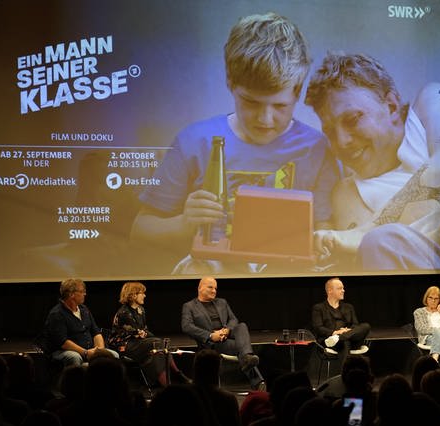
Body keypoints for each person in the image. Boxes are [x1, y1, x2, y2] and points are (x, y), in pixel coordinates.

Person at [130, 12, 338, 274]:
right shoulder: (193, 142)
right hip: (210, 274)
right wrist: (184, 223)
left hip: (283, 276)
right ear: (230, 82)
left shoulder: (317, 149)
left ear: (297, 92)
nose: (265, 118)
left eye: (280, 105)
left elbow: (325, 227)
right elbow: (140, 230)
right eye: (251, 102)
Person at [304, 52, 440, 271]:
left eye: (353, 120)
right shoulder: (345, 195)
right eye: (330, 132)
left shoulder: (430, 101)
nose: (342, 141)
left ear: (391, 105)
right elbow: (378, 249)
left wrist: (364, 231)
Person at [181, 276, 264, 389]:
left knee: (241, 326)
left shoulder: (222, 302)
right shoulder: (189, 306)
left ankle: (247, 358)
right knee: (242, 349)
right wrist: (210, 336)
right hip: (211, 343)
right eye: (210, 287)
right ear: (200, 288)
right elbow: (187, 327)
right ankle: (258, 382)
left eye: (215, 288)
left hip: (226, 335)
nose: (214, 291)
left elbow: (233, 319)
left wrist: (227, 330)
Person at [109, 281, 188, 387]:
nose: (145, 295)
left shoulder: (140, 310)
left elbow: (144, 330)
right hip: (124, 345)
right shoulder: (124, 313)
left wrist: (161, 343)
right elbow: (138, 333)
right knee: (158, 344)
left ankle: (169, 383)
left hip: (137, 342)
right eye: (142, 293)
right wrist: (156, 341)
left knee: (159, 347)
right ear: (133, 295)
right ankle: (175, 376)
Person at [38, 278, 119, 367]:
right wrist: (85, 352)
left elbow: (96, 332)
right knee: (74, 357)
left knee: (114, 355)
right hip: (65, 351)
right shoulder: (57, 314)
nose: (85, 294)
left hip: (89, 350)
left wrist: (99, 350)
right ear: (71, 294)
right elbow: (63, 342)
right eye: (82, 291)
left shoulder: (84, 310)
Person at [311, 277, 371, 362]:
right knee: (345, 343)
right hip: (331, 342)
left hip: (350, 339)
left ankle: (339, 338)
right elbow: (318, 328)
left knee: (366, 326)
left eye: (343, 288)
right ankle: (345, 373)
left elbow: (355, 325)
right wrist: (335, 332)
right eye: (339, 288)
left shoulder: (348, 307)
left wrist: (346, 332)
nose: (343, 291)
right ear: (330, 291)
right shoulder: (319, 308)